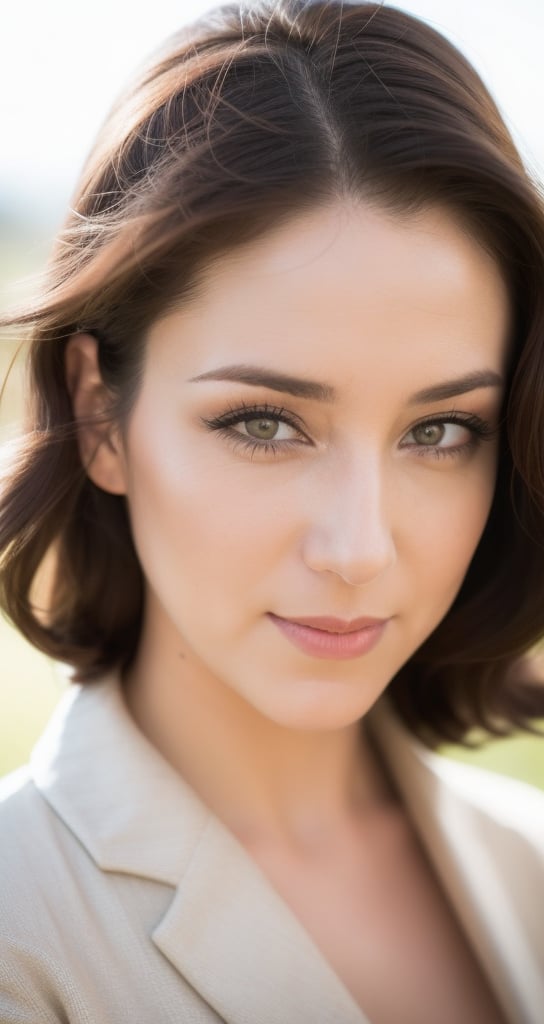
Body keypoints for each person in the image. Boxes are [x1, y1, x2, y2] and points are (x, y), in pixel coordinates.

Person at [0, 1, 543, 1021]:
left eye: (439, 431)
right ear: (99, 413)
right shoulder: (20, 931)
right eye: (263, 423)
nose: (358, 547)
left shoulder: (528, 865)